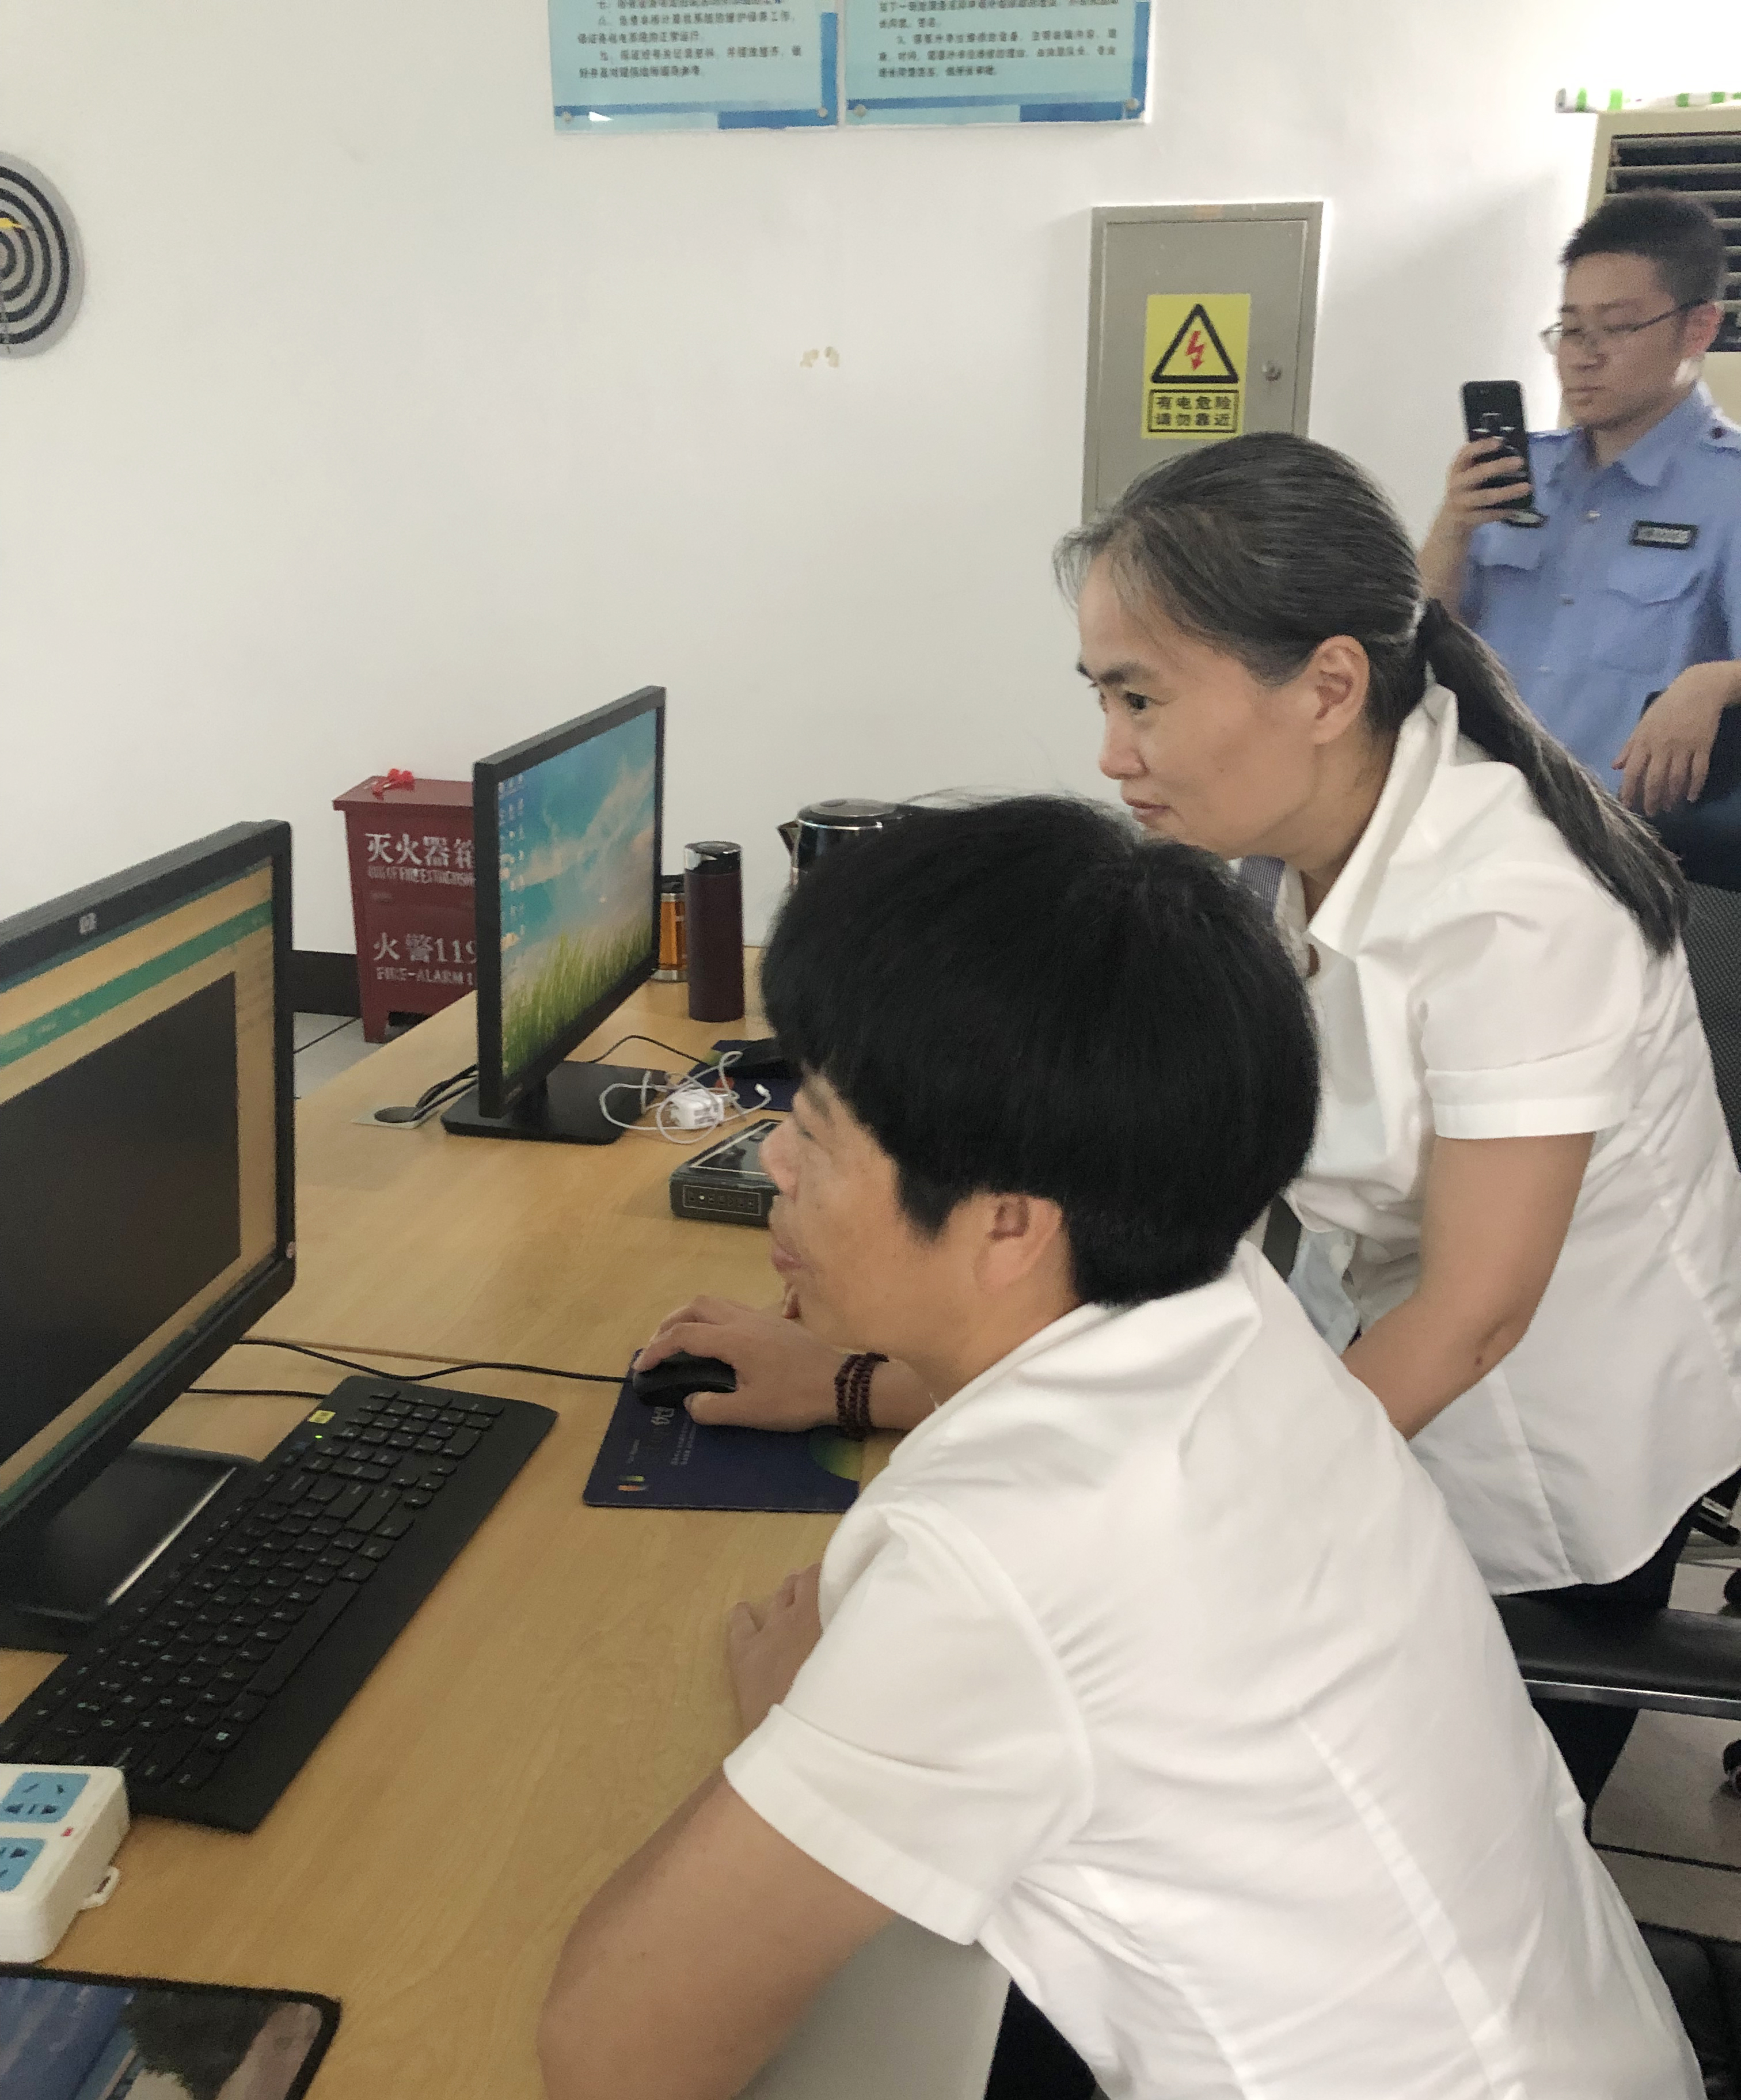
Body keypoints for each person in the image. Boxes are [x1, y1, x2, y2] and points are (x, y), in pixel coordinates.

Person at [541, 798, 1713, 2100]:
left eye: (815, 1134)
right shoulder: (1222, 1306)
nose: (772, 1167)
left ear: (1008, 1223)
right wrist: (850, 1399)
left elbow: (611, 2068)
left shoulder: (1005, 1560)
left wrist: (794, 1731)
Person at [641, 433, 1741, 1811]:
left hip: (1529, 1474)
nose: (1112, 754)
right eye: (1103, 696)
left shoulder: (1512, 916)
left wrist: (1121, 1541)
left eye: (1143, 698)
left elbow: (1472, 1319)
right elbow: (1182, 1210)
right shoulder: (1301, 850)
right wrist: (873, 1375)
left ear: (1329, 686)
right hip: (1371, 1379)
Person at [1420, 189, 1741, 821]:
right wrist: (1451, 531)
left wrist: (1715, 682)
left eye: (1616, 328)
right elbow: (1419, 644)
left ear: (1698, 328)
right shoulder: (1517, 470)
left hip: (1629, 839)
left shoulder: (1729, 488)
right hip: (1476, 815)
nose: (1583, 356)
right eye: (1571, 329)